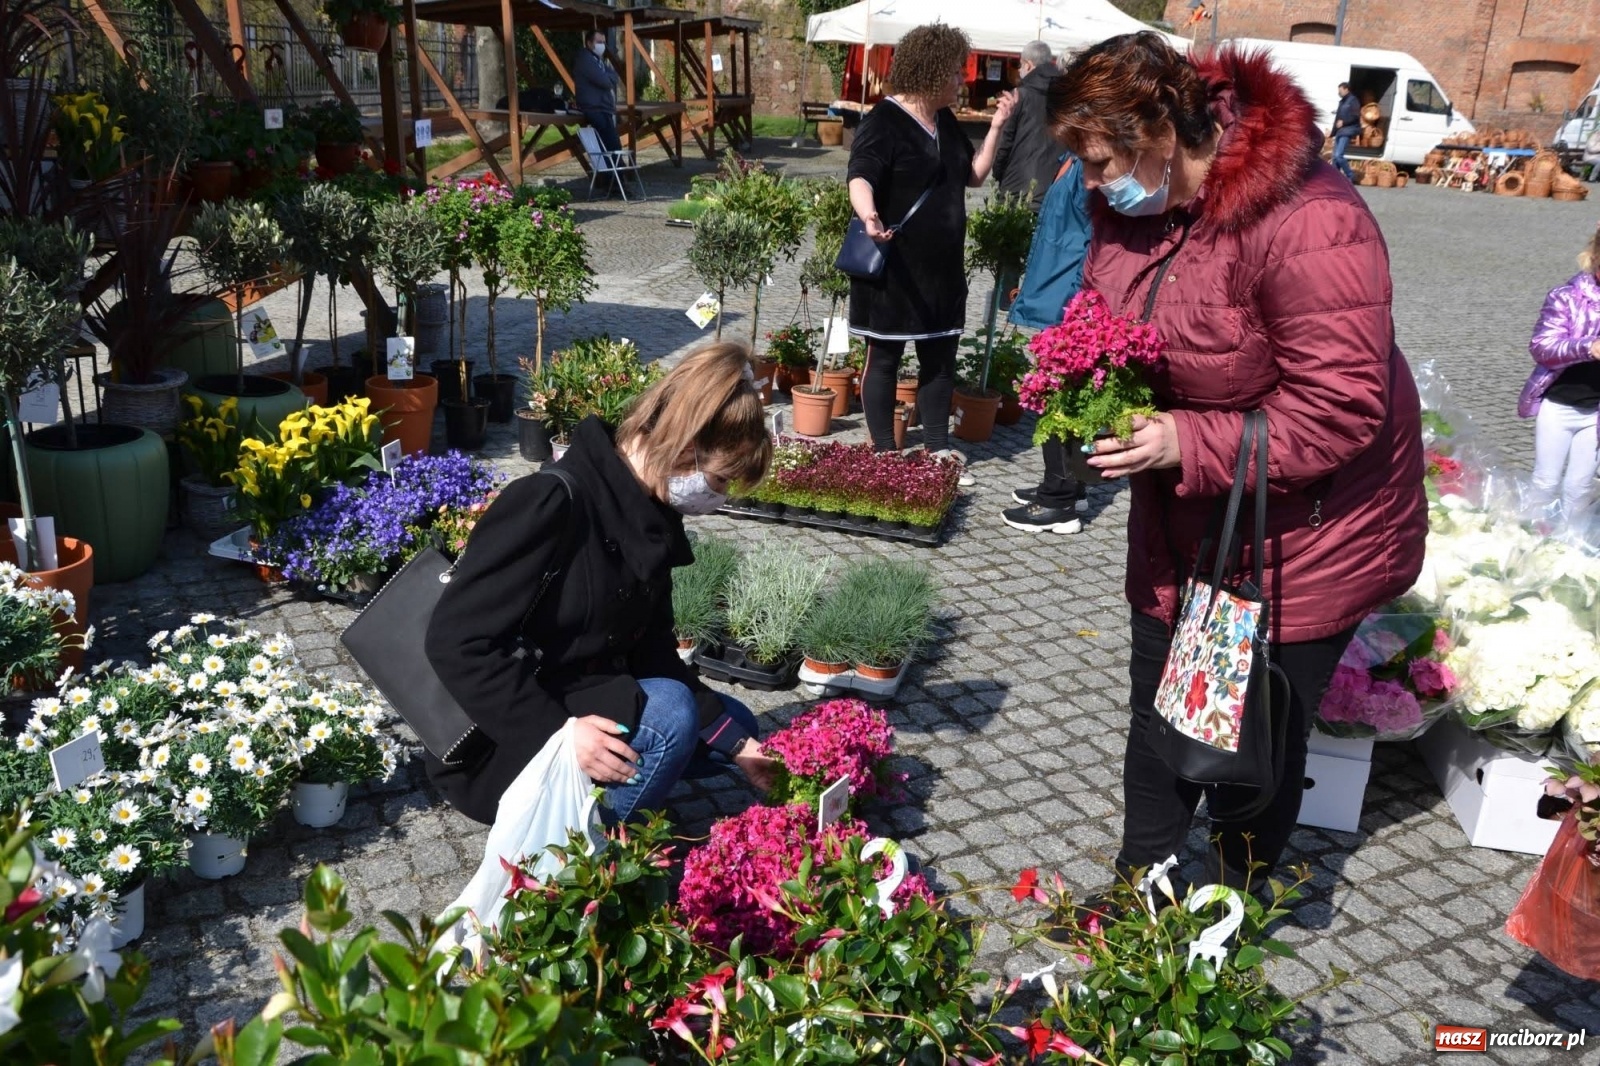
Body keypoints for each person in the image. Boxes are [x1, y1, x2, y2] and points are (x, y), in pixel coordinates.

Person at [1045, 33, 1427, 895]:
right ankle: (1138, 885)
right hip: (1187, 520)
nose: (1091, 182)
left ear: (1163, 127)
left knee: (1253, 738)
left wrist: (1188, 440)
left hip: (1309, 532)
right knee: (1161, 711)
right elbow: (1119, 318)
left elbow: (1339, 408)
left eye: (1099, 159)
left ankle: (1231, 900)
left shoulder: (1308, 218)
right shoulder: (1130, 209)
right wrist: (1089, 382)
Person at [425, 342, 778, 826]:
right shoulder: (551, 501)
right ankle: (588, 858)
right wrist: (559, 735)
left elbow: (652, 651)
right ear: (686, 447)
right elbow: (455, 642)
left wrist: (737, 743)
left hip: (583, 691)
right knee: (672, 717)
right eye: (719, 481)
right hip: (506, 733)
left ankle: (622, 784)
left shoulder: (647, 512)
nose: (719, 498)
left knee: (734, 724)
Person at [848, 23, 1016, 483]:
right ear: (930, 73)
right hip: (893, 268)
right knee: (883, 359)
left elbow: (974, 177)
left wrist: (998, 126)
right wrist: (869, 218)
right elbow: (860, 175)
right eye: (955, 74)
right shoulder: (882, 121)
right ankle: (884, 455)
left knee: (940, 361)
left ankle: (939, 452)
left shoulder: (944, 122)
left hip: (942, 272)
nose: (961, 82)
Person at [1003, 151, 1094, 534]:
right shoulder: (1071, 159)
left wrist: (1073, 306)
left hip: (1066, 301)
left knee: (1057, 398)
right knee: (1061, 397)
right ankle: (1068, 486)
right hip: (1055, 294)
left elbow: (1094, 243)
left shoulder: (1091, 165)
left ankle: (1059, 501)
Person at [1521, 226, 1600, 523]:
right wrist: (1587, 347)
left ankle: (1570, 547)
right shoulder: (1566, 297)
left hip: (1595, 413)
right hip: (1560, 405)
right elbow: (1542, 347)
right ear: (1594, 258)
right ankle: (1527, 536)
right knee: (1545, 481)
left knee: (1579, 487)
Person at [993, 40, 1061, 210]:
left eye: (1020, 65)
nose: (1019, 70)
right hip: (1054, 186)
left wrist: (997, 174)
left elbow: (1005, 142)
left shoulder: (1019, 96)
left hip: (1018, 186)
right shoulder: (1064, 96)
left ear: (1029, 65)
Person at [574, 28, 624, 155]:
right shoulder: (586, 59)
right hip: (594, 109)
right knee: (609, 144)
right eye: (599, 42)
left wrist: (608, 78)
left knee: (614, 144)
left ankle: (617, 171)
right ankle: (612, 172)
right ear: (589, 43)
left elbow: (614, 77)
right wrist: (608, 78)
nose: (602, 45)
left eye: (603, 42)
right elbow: (606, 82)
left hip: (603, 108)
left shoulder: (598, 60)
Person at [1331, 81, 1360, 183]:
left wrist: (1344, 122)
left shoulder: (1353, 100)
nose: (1339, 93)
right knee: (1334, 157)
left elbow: (1356, 116)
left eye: (1340, 90)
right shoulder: (1342, 101)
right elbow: (1337, 118)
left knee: (1339, 155)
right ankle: (1335, 179)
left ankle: (1350, 175)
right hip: (1340, 131)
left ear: (1346, 89)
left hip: (1347, 131)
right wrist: (1333, 132)